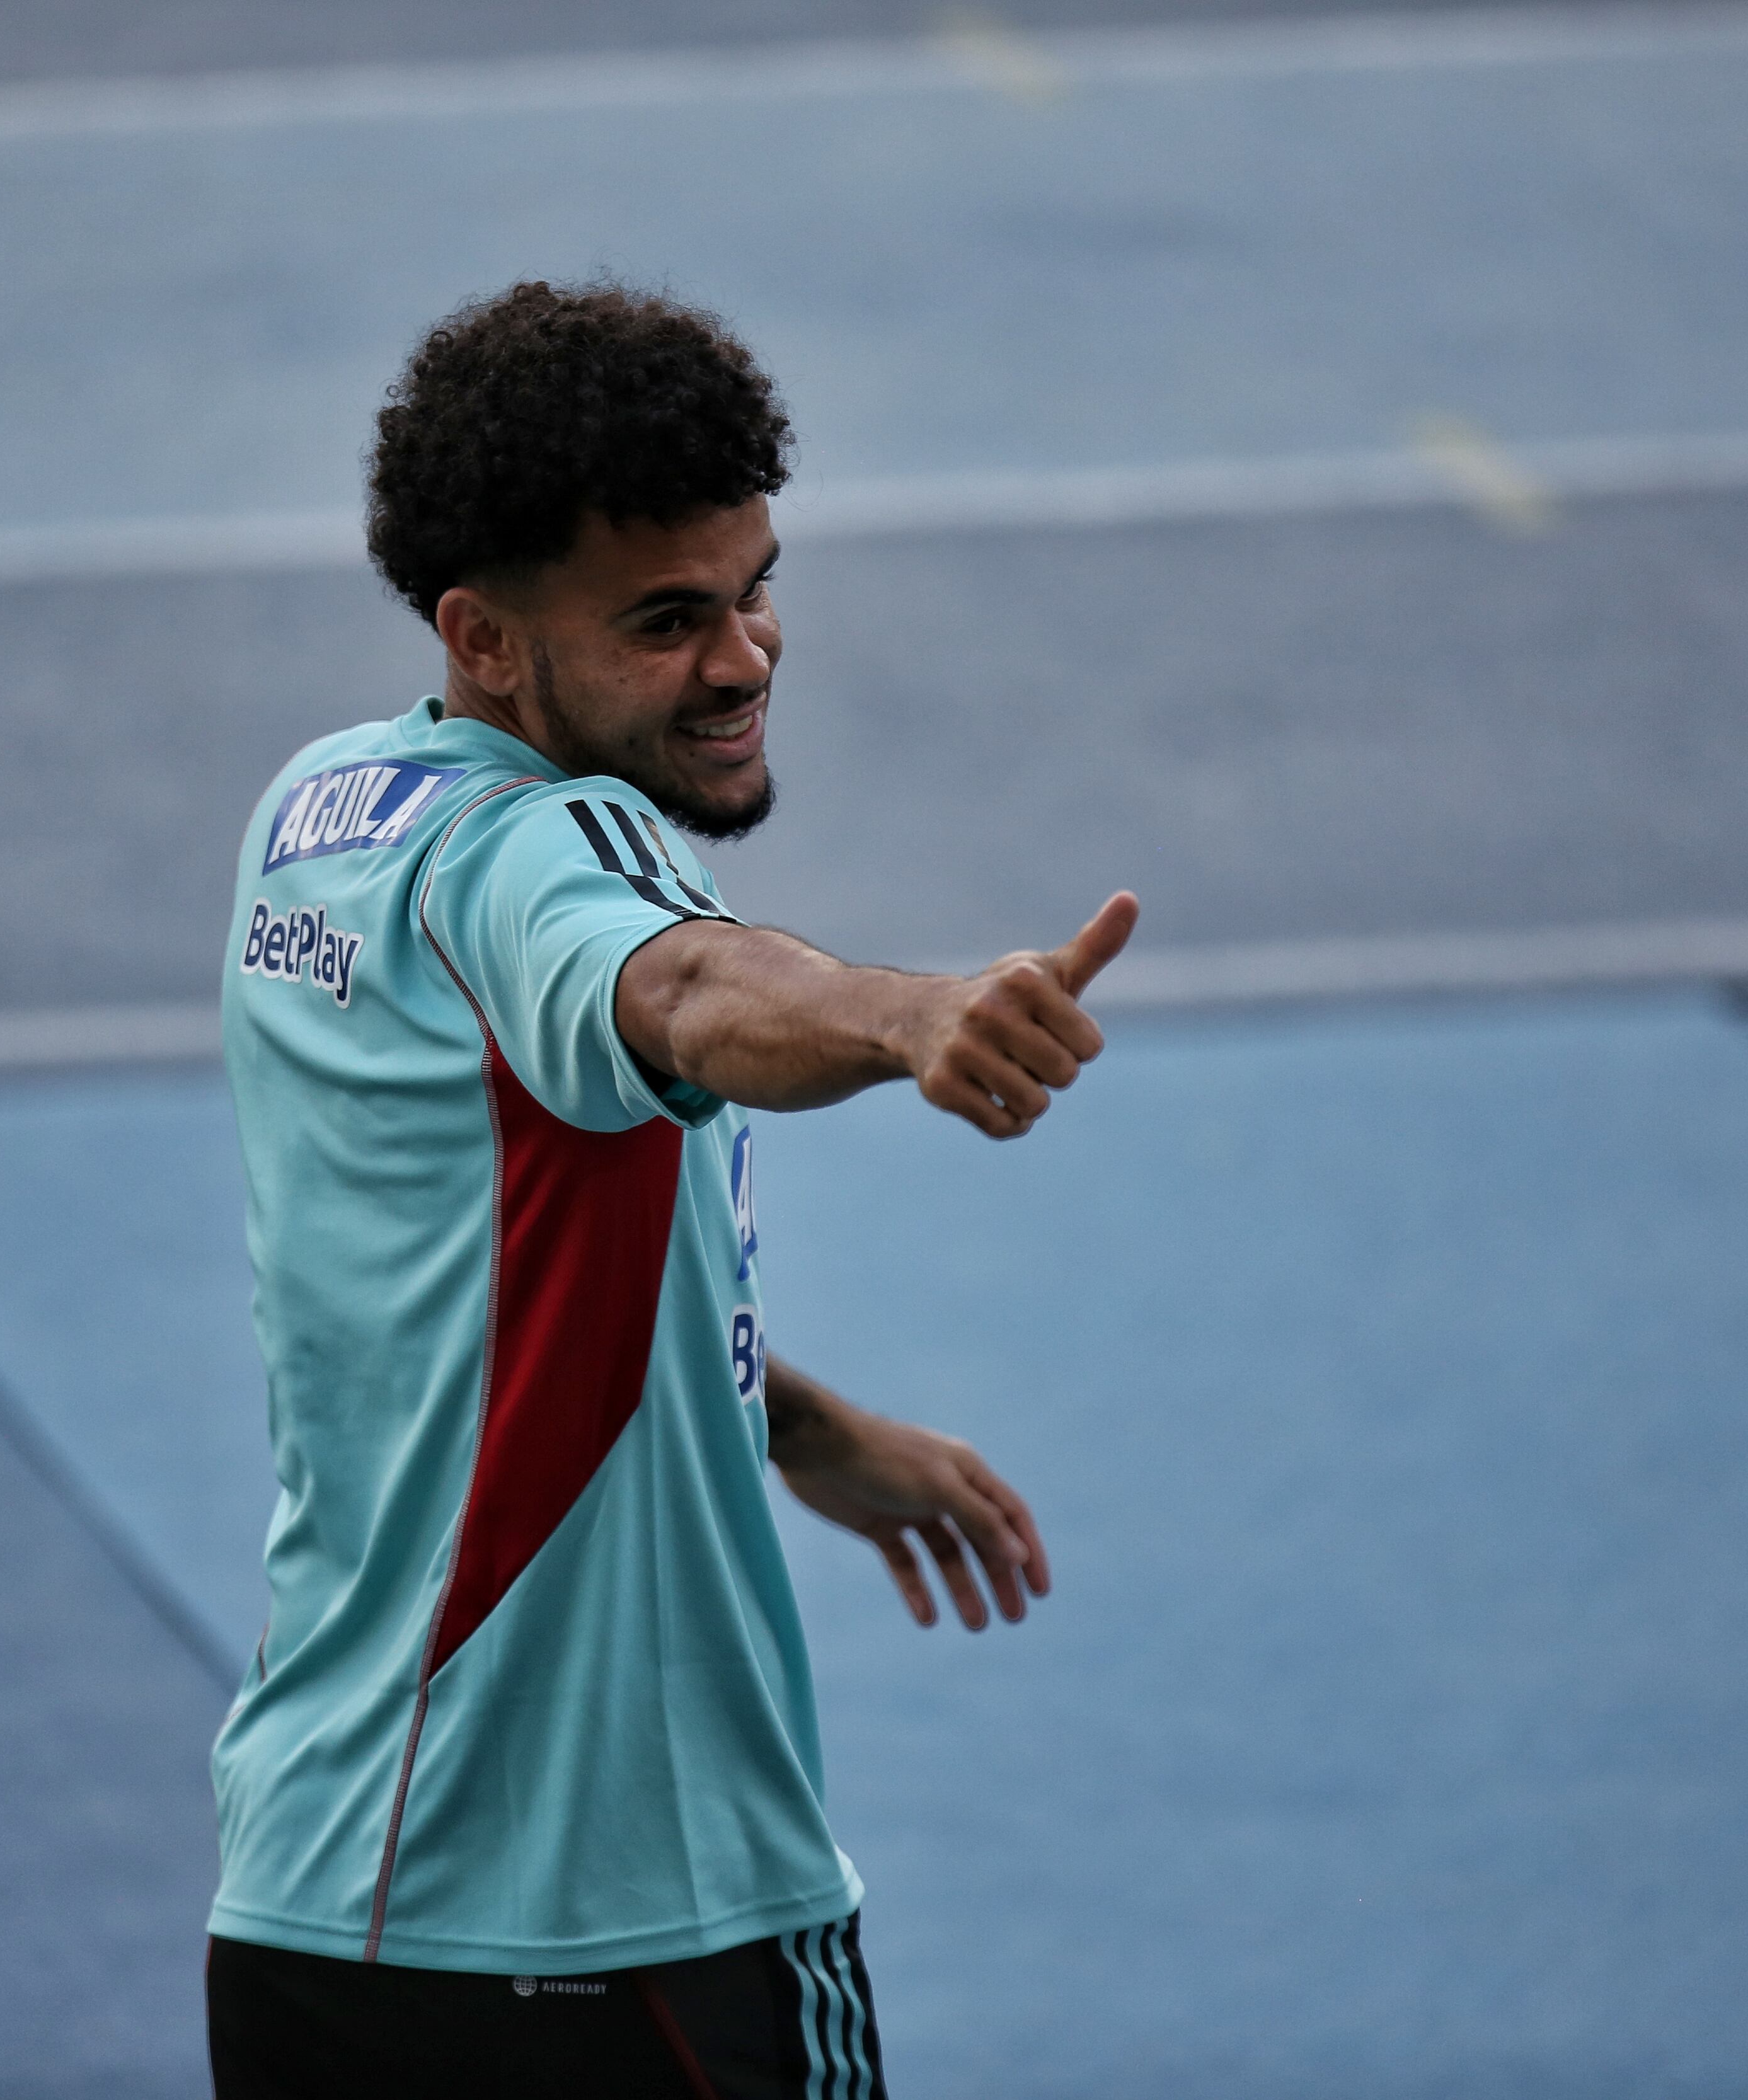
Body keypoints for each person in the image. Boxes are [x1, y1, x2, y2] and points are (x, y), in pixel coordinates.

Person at [206, 278, 1139, 2099]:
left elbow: (450, 1290)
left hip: (316, 1913)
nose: (744, 659)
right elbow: (689, 987)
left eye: (754, 590)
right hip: (624, 1919)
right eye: (666, 621)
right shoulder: (549, 848)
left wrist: (785, 1422)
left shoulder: (319, 818)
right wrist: (908, 1016)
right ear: (485, 639)